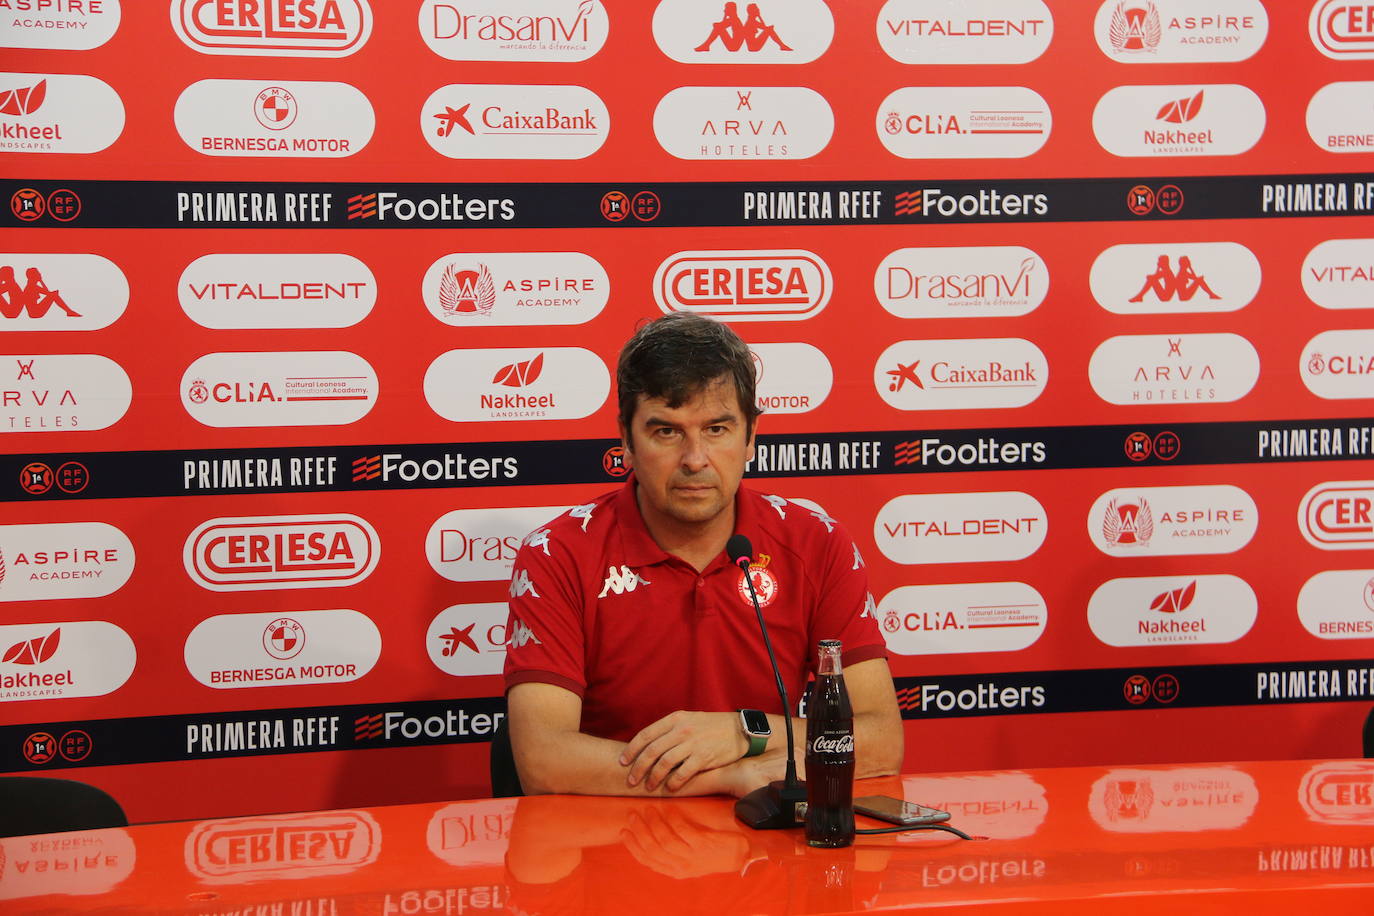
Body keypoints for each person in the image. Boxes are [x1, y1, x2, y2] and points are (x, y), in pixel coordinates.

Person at [503, 312, 903, 797]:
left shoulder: (816, 543)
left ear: (751, 435)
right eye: (667, 432)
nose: (694, 460)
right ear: (626, 439)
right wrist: (729, 776)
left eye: (716, 429)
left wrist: (744, 732)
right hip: (609, 842)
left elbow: (881, 740)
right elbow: (543, 760)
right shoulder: (559, 553)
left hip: (767, 852)